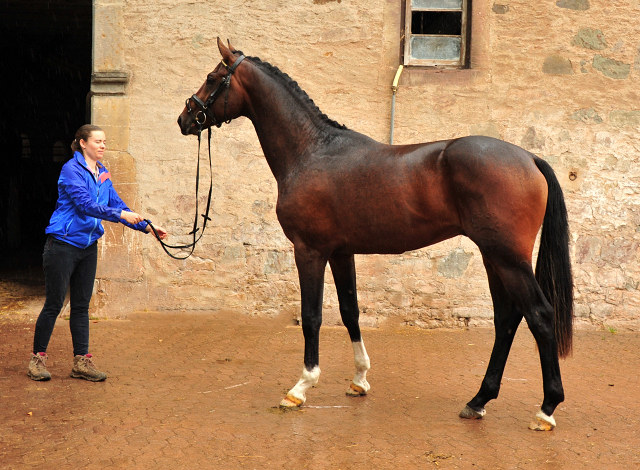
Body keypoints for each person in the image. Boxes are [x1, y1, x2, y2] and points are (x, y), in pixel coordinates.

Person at [28, 124, 168, 382]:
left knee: (81, 306)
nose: (103, 145)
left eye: (105, 141)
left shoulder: (102, 173)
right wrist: (120, 215)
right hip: (62, 245)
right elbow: (86, 205)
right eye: (98, 141)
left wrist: (147, 226)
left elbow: (117, 204)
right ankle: (37, 360)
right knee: (54, 304)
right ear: (83, 143)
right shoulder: (71, 170)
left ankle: (81, 362)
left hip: (87, 247)